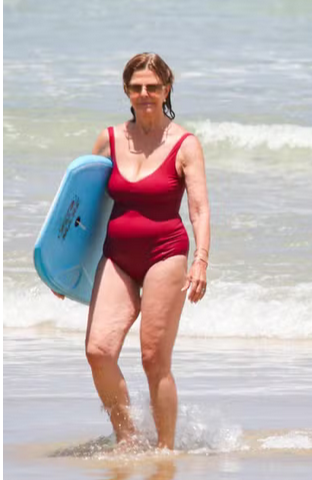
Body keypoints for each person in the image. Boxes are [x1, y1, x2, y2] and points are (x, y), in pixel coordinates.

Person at [55, 53, 211, 450]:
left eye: (153, 87)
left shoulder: (185, 144)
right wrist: (62, 263)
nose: (145, 94)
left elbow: (199, 208)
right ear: (127, 90)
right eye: (137, 87)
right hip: (118, 255)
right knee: (98, 350)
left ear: (166, 90)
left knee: (152, 359)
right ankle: (129, 438)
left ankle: (165, 450)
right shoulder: (108, 139)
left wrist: (201, 260)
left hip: (166, 252)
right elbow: (81, 206)